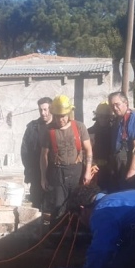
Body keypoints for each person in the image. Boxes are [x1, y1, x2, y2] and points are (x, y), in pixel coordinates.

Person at [39, 95, 93, 224]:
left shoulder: (79, 127)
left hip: (76, 171)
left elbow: (88, 149)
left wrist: (88, 171)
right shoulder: (49, 130)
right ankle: (59, 236)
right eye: (57, 116)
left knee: (77, 204)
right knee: (59, 206)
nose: (60, 119)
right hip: (57, 172)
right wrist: (43, 177)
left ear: (69, 113)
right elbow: (43, 156)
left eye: (63, 116)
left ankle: (76, 234)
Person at [108, 91, 135, 190]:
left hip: (130, 163)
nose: (115, 108)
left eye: (117, 104)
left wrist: (132, 170)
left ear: (126, 103)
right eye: (112, 106)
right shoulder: (119, 119)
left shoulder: (134, 118)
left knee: (129, 193)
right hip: (120, 164)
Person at [20, 97, 52, 211]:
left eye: (46, 109)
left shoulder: (57, 126)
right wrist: (29, 169)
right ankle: (37, 228)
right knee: (36, 204)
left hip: (54, 172)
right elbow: (25, 151)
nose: (43, 113)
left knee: (52, 204)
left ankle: (51, 227)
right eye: (41, 110)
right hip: (36, 173)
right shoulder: (32, 127)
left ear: (51, 109)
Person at [88, 102, 115, 192]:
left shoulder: (114, 132)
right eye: (101, 116)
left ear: (110, 117)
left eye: (106, 117)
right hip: (94, 170)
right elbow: (86, 152)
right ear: (97, 117)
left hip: (111, 171)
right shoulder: (90, 132)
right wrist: (90, 165)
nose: (103, 119)